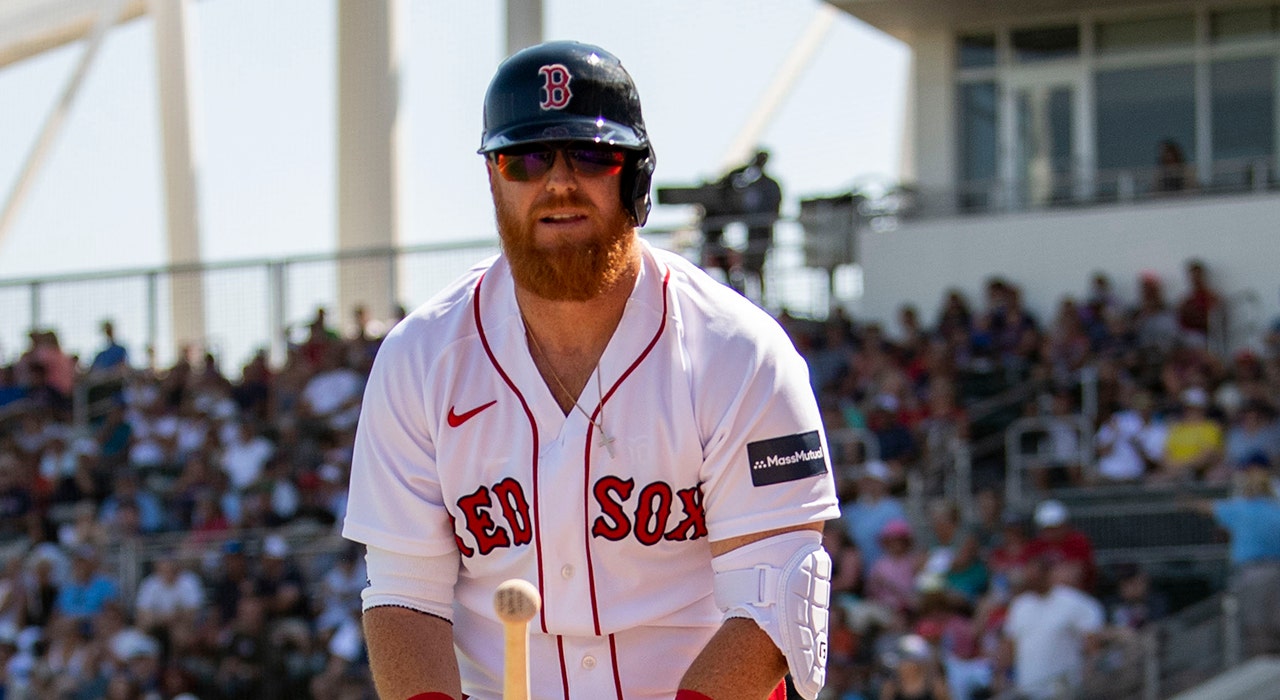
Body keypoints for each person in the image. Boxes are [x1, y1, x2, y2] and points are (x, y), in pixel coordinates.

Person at [341, 41, 840, 700]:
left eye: (590, 155)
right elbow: (404, 599)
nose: (558, 182)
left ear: (635, 178)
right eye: (525, 158)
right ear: (494, 179)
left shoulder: (739, 353)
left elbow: (778, 600)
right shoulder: (420, 359)